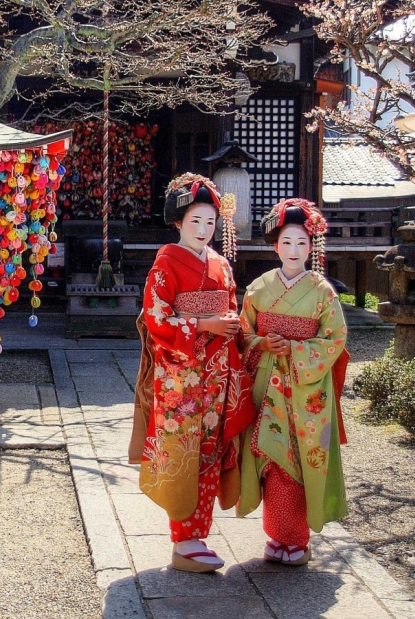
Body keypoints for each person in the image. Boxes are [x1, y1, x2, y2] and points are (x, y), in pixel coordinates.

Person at [129, 172, 255, 573]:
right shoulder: (166, 262)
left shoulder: (220, 264)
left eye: (210, 222)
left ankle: (197, 535)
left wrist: (235, 327)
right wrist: (204, 326)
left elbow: (232, 309)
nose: (203, 229)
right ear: (178, 222)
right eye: (195, 221)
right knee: (184, 452)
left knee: (211, 451)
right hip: (182, 377)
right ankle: (183, 539)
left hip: (218, 373)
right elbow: (156, 318)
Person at [237, 198, 349, 566]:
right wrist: (262, 343)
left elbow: (334, 338)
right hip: (267, 380)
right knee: (268, 456)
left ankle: (296, 539)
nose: (294, 250)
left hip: (305, 390)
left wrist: (297, 348)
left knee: (299, 460)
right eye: (286, 242)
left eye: (301, 242)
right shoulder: (258, 287)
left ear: (311, 246)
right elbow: (243, 332)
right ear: (275, 246)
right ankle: (276, 535)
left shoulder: (322, 291)